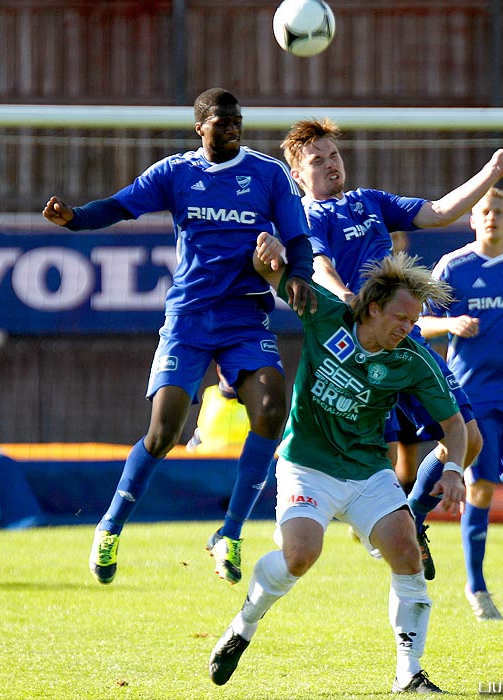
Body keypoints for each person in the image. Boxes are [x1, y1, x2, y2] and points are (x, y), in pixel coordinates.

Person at [42, 88, 315, 586]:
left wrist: (296, 274)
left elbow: (298, 239)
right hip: (189, 317)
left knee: (273, 410)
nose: (233, 128)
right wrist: (76, 219)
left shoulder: (268, 174)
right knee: (164, 431)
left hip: (244, 316)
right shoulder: (176, 172)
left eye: (237, 121)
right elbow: (122, 205)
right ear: (200, 128)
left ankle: (229, 533)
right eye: (222, 122)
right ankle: (110, 526)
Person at [209, 239, 468, 694]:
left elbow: (455, 425)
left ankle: (409, 674)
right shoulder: (326, 313)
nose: (407, 329)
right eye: (400, 318)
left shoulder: (414, 360)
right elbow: (271, 275)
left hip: (367, 472)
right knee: (299, 557)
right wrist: (265, 253)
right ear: (371, 310)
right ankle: (242, 627)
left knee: (407, 554)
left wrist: (453, 470)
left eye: (413, 321)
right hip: (305, 465)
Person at [280, 118, 503, 579]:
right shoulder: (307, 218)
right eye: (318, 160)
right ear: (297, 175)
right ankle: (312, 512)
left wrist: (492, 171)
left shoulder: (369, 201)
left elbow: (438, 212)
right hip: (360, 348)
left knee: (469, 440)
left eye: (334, 155)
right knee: (385, 458)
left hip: (405, 339)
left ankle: (411, 514)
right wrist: (349, 301)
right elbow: (319, 266)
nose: (331, 164)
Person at [418, 187, 503, 621]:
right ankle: (476, 587)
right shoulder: (453, 266)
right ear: (473, 220)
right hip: (474, 396)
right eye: (483, 211)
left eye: (499, 210)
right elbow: (419, 322)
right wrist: (449, 322)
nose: (491, 217)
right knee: (480, 487)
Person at [186, 366, 250, 455]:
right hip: (208, 463)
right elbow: (200, 433)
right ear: (219, 370)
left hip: (240, 462)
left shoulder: (256, 400)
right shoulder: (209, 394)